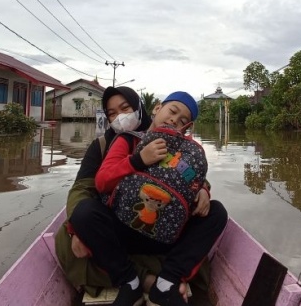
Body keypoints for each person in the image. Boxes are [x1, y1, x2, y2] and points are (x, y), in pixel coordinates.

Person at [54, 87, 212, 304]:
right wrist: (77, 230)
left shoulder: (180, 148)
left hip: (163, 232)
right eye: (111, 113)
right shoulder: (106, 144)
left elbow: (191, 177)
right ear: (158, 109)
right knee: (72, 230)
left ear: (140, 108)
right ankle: (151, 281)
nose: (120, 116)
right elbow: (84, 188)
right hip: (119, 229)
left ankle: (160, 279)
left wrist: (204, 189)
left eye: (125, 108)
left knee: (215, 212)